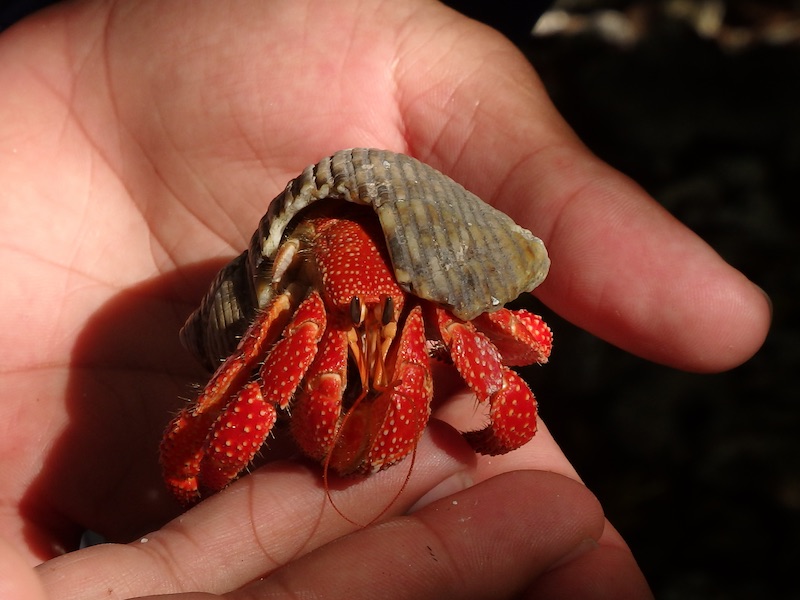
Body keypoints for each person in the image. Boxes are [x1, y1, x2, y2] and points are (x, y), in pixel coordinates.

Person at [0, 1, 770, 598]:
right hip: (312, 286)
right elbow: (286, 365)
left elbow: (522, 349)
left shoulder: (407, 284)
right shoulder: (305, 293)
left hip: (380, 276)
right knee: (297, 359)